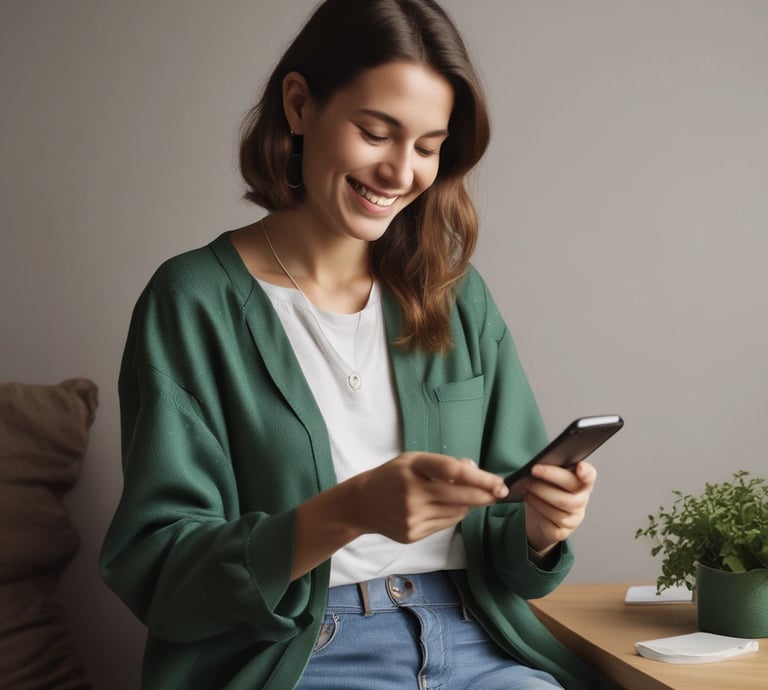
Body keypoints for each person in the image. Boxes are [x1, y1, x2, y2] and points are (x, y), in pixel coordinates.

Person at [100, 1, 601, 688]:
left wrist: (544, 527)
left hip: (477, 640)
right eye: (376, 133)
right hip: (305, 654)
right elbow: (159, 572)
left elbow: (511, 549)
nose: (401, 172)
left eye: (427, 147)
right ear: (300, 105)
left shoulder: (455, 294)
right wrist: (347, 512)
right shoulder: (193, 302)